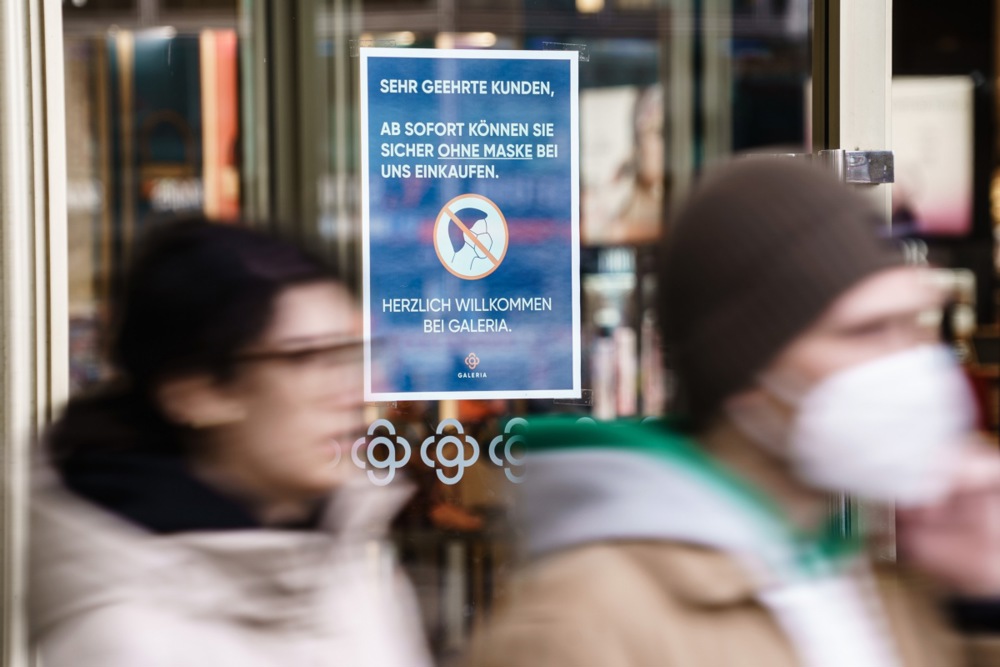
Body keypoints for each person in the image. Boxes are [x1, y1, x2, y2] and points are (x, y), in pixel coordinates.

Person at [465, 158, 1000, 666]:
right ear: (750, 376)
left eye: (914, 325)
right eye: (865, 332)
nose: (908, 363)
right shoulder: (582, 624)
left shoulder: (875, 587)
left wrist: (981, 597)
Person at [30, 219, 431, 667]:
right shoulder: (133, 637)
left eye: (351, 354)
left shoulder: (349, 566)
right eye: (304, 357)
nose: (354, 393)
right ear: (197, 391)